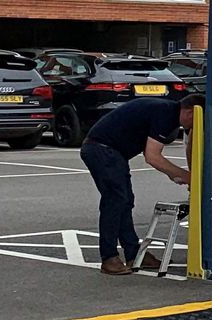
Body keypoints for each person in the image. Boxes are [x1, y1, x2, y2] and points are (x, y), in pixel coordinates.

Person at [80, 94, 199, 276]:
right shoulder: (167, 115)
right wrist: (188, 177)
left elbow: (149, 151)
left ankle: (134, 254)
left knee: (125, 201)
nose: (194, 127)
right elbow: (152, 156)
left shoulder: (165, 111)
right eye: (197, 121)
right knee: (115, 201)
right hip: (103, 150)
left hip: (111, 152)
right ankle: (109, 257)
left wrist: (174, 174)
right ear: (190, 112)